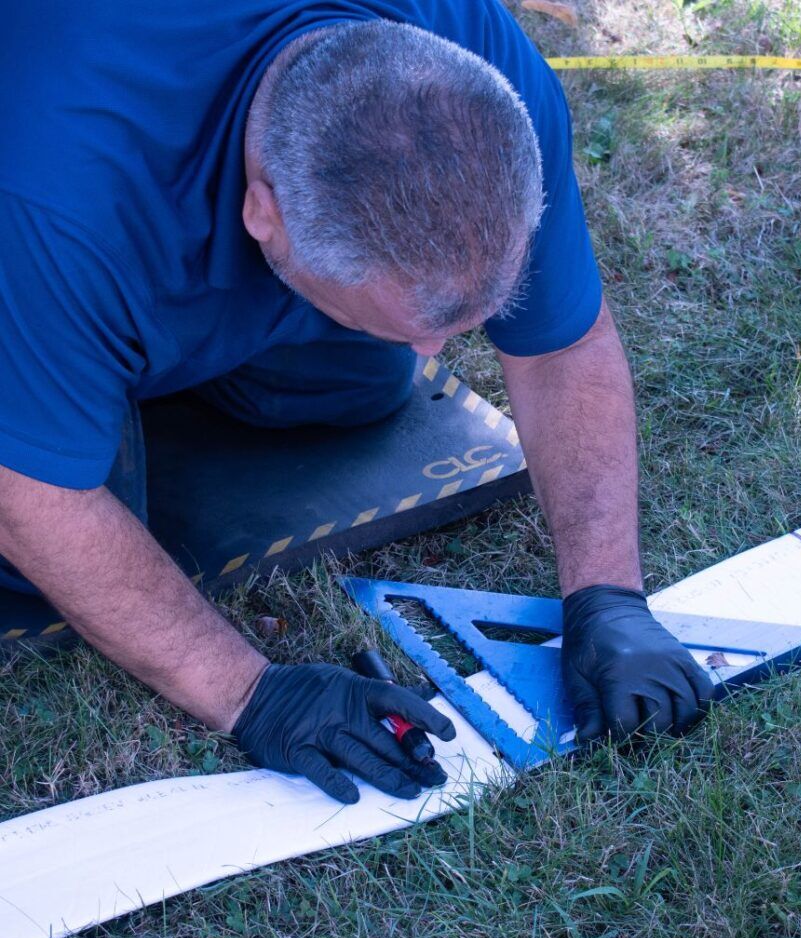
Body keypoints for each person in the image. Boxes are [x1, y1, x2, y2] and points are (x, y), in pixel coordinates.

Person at [0, 1, 713, 804]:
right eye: (409, 325)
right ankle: (62, 379)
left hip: (110, 244)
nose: (433, 358)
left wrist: (608, 595)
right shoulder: (55, 195)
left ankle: (78, 370)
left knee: (365, 384)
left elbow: (560, 346)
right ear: (262, 216)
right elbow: (33, 501)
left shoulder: (482, 82)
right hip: (47, 202)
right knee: (31, 546)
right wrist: (248, 692)